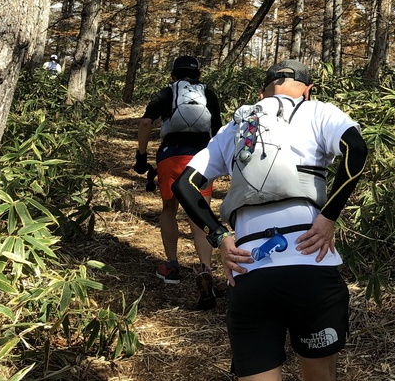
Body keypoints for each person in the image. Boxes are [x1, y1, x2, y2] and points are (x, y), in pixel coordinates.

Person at [172, 59, 368, 381]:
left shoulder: (236, 126)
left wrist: (219, 236)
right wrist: (329, 216)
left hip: (249, 269)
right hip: (311, 262)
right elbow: (356, 149)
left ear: (262, 91)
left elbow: (184, 184)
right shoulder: (317, 110)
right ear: (308, 90)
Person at [135, 54, 224, 309]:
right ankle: (205, 269)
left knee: (169, 209)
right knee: (200, 216)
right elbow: (217, 131)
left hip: (170, 157)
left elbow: (145, 122)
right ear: (198, 75)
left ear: (173, 75)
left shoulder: (166, 93)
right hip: (201, 159)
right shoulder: (210, 94)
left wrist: (141, 156)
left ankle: (172, 266)